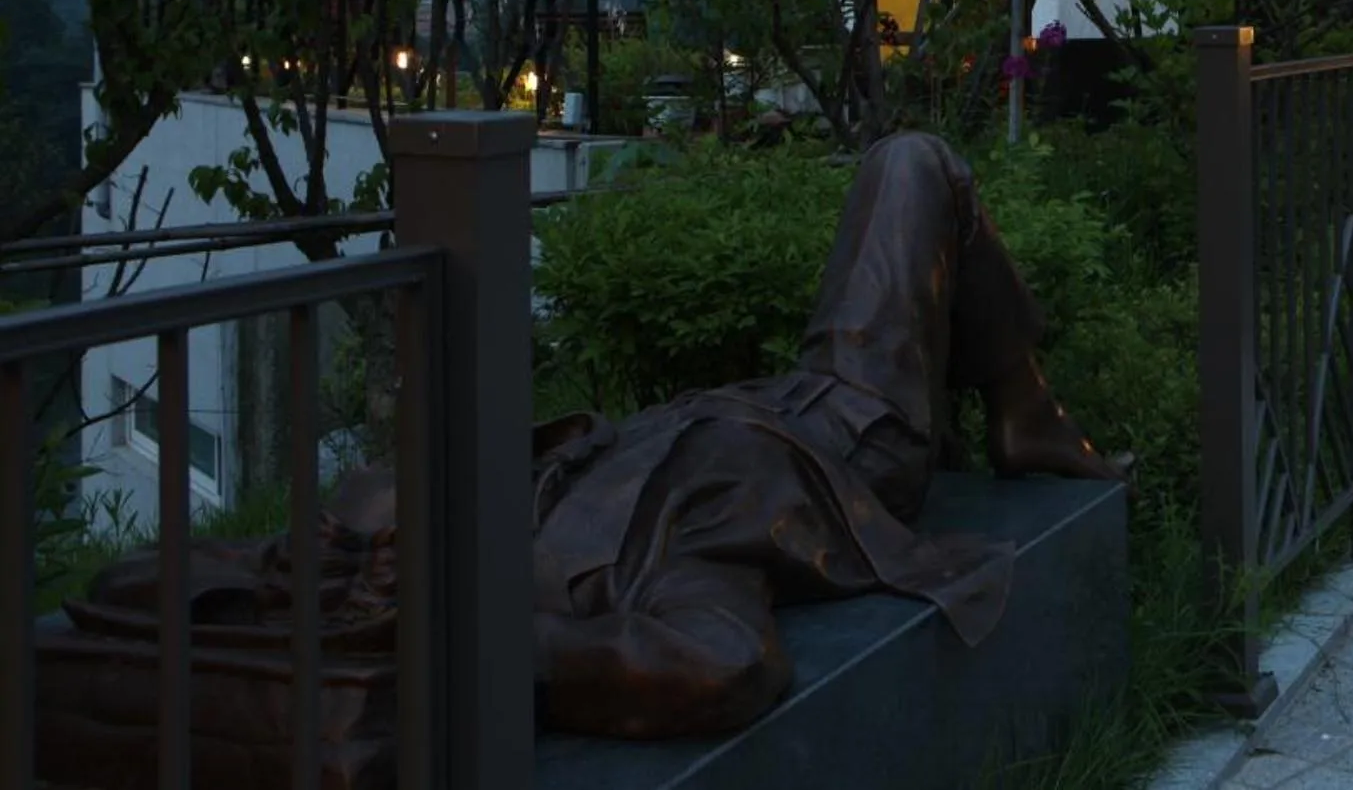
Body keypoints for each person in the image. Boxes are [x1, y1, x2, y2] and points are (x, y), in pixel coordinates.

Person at [38, 132, 1127, 783]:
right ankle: (1024, 405)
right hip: (845, 438)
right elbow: (724, 666)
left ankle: (1020, 405)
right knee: (916, 162)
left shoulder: (414, 522)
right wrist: (484, 638)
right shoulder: (610, 585)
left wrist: (326, 569)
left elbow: (131, 583)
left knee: (913, 166)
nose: (380, 542)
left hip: (759, 406)